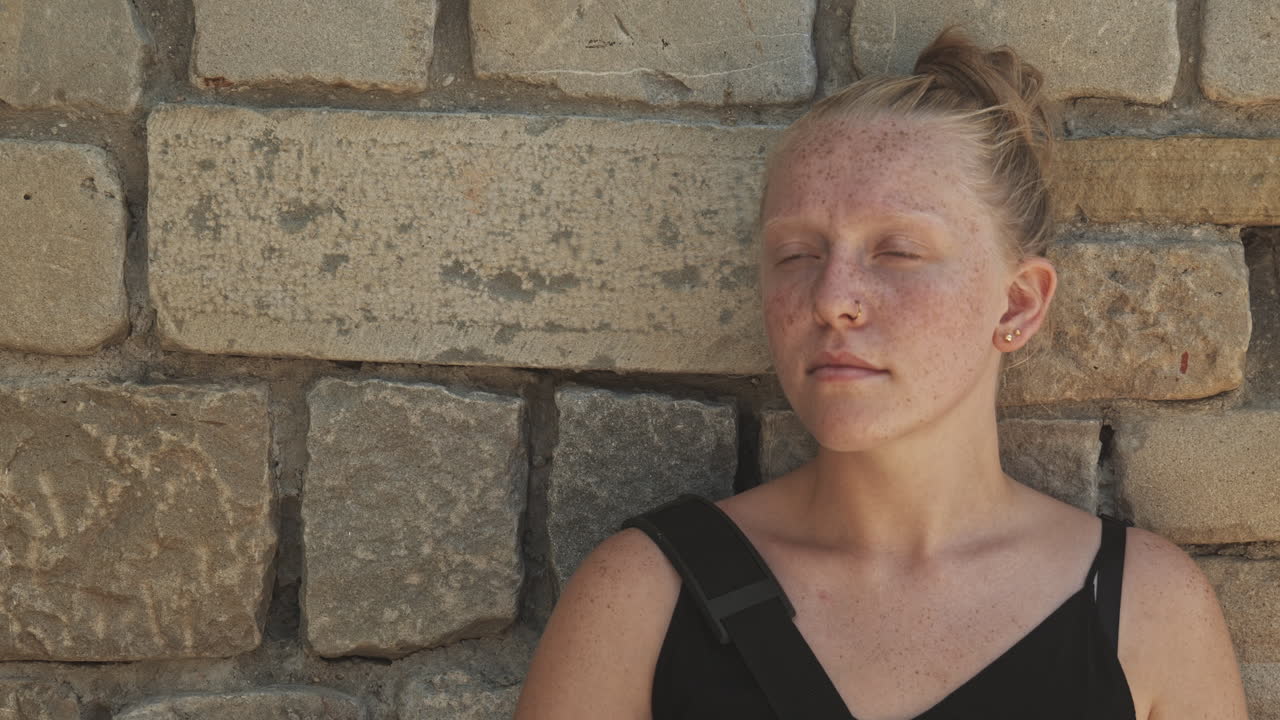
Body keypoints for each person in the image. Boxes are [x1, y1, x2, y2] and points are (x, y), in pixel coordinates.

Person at [514, 26, 1248, 720]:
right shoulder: (642, 598)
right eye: (797, 254)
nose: (831, 299)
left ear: (1018, 303)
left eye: (897, 251)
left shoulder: (1149, 612)